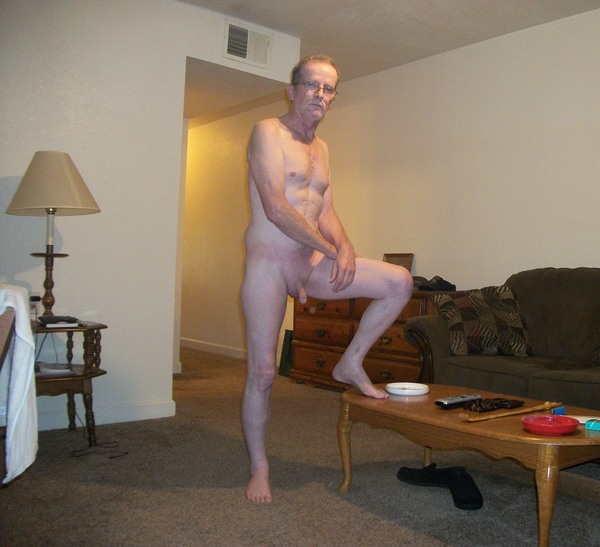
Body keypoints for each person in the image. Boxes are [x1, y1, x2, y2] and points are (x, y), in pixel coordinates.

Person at [241, 55, 413, 503]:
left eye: (329, 88)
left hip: (310, 261)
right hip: (269, 262)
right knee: (263, 372)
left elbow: (326, 209)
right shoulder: (267, 132)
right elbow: (276, 207)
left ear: (334, 97)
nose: (320, 94)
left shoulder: (323, 149)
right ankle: (260, 467)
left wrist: (346, 246)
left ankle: (349, 363)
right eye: (312, 85)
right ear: (292, 90)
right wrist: (332, 249)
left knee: (399, 282)